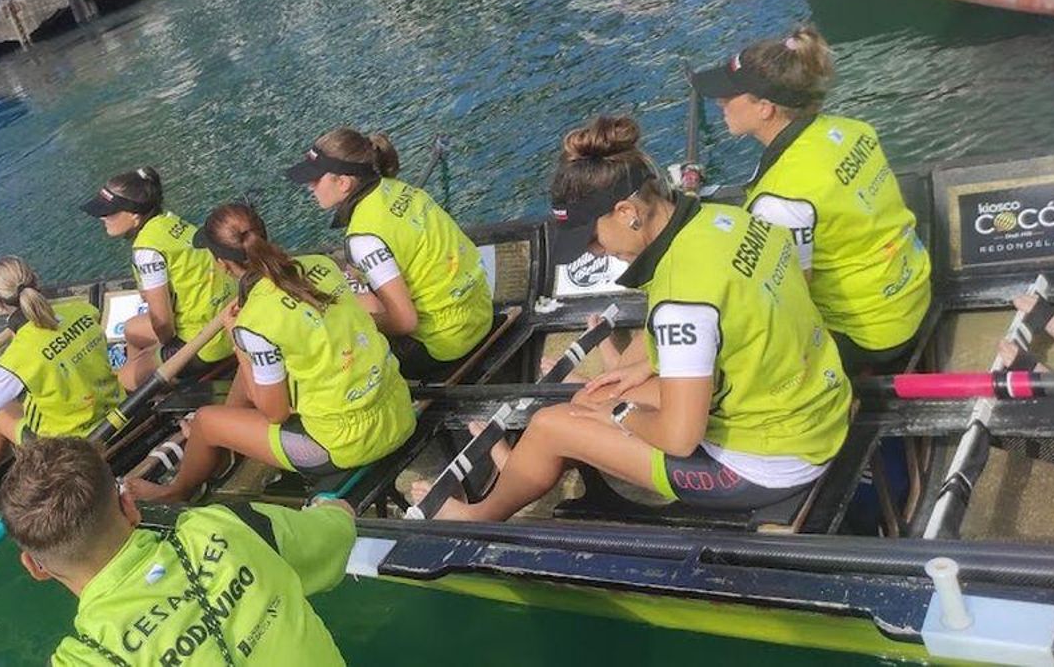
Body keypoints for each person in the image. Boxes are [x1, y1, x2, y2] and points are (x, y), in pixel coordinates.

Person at [416, 115, 852, 521]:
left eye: (592, 240)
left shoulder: (682, 299)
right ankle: (529, 470)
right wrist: (638, 372)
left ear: (627, 213)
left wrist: (621, 412)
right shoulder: (732, 219)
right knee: (590, 398)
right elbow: (741, 322)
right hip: (814, 410)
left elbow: (680, 437)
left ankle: (481, 511)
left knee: (553, 423)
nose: (594, 253)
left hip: (763, 464)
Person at [127, 203, 416, 503]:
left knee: (205, 421)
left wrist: (238, 343)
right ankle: (224, 450)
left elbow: (275, 413)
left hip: (344, 443)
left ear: (222, 263)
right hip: (397, 410)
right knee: (255, 372)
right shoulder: (321, 265)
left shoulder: (254, 320)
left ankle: (176, 491)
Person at [690, 26, 931, 375]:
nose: (720, 102)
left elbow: (787, 298)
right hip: (913, 293)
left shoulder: (781, 196)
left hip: (872, 336)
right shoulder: (854, 130)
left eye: (730, 95)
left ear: (765, 108)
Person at [0, 436, 357, 664]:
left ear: (35, 567)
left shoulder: (85, 659)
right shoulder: (223, 526)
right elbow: (334, 536)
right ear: (129, 506)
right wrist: (331, 507)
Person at [285, 128, 493, 381]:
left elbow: (405, 322)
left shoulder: (364, 238)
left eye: (316, 179)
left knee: (340, 343)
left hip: (446, 344)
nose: (310, 186)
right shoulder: (399, 189)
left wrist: (345, 318)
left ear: (343, 183)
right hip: (480, 313)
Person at [0, 257, 124, 482]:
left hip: (67, 448)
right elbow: (55, 344)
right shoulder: (84, 311)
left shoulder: (16, 358)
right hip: (116, 416)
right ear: (36, 279)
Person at [80, 168, 236, 391]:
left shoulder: (147, 250)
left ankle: (156, 388)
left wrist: (163, 352)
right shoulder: (168, 222)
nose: (103, 218)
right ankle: (150, 377)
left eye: (110, 212)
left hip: (206, 342)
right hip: (224, 319)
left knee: (122, 381)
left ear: (135, 216)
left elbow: (163, 324)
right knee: (132, 328)